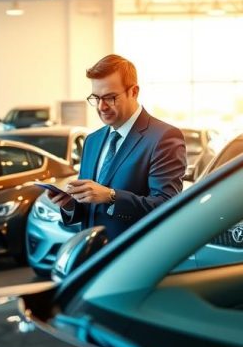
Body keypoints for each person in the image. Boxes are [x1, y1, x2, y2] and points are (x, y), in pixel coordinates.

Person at [47, 54, 186, 240]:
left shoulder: (163, 137)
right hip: (92, 251)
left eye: (110, 98)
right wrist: (69, 204)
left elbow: (166, 206)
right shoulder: (92, 140)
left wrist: (111, 196)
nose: (101, 107)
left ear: (134, 92)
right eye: (96, 98)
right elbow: (90, 208)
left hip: (133, 253)